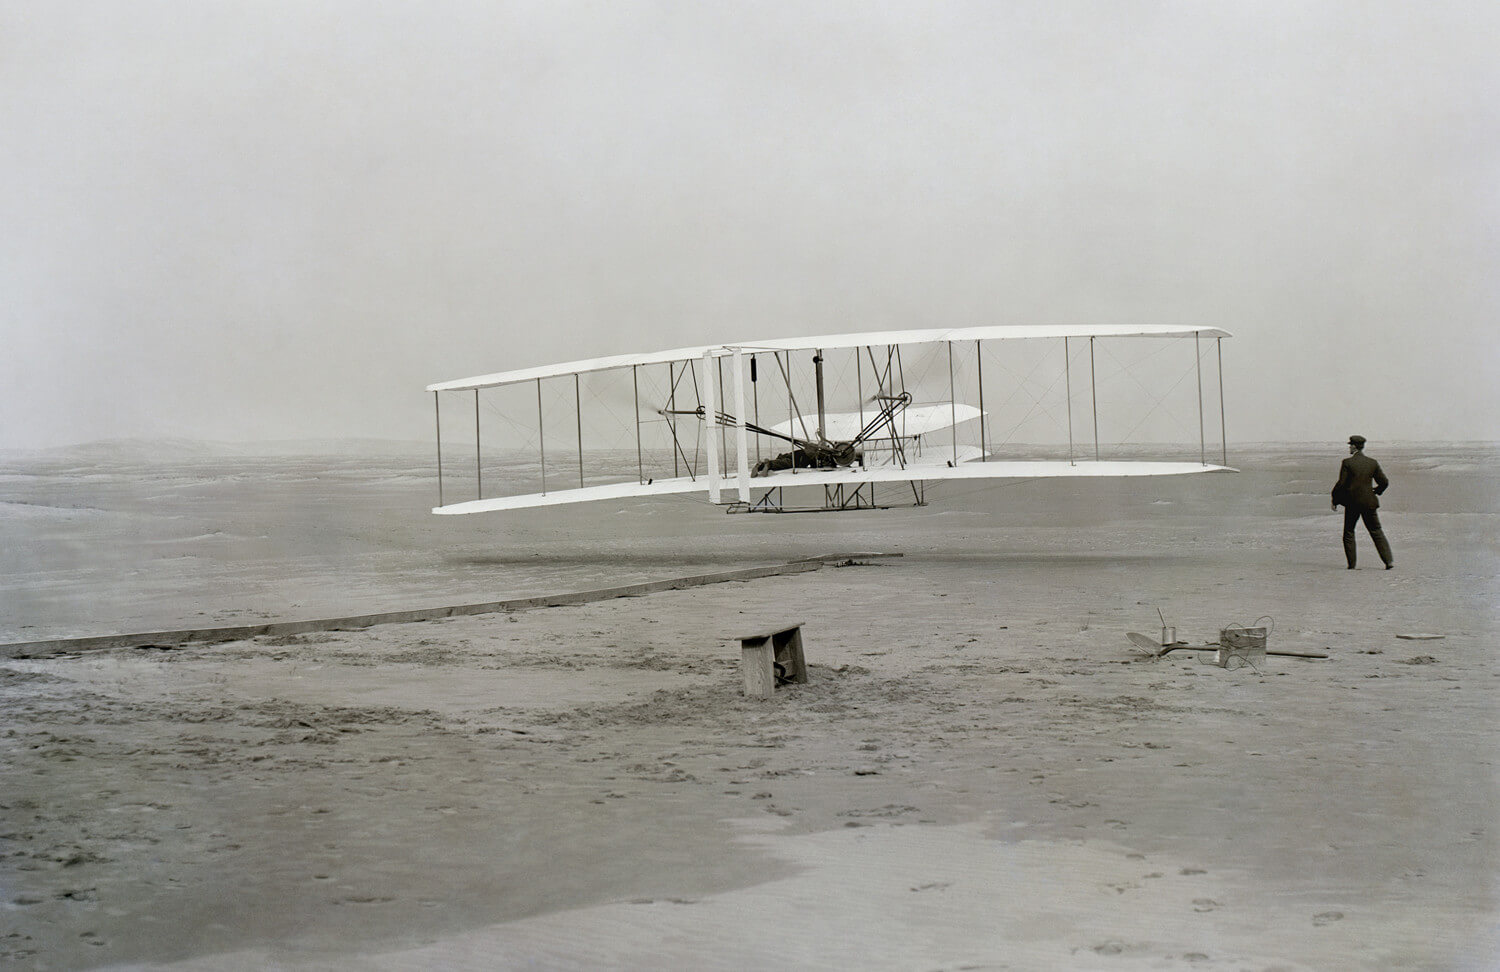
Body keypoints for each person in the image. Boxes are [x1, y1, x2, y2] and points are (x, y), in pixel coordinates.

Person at [1331, 435, 1394, 569]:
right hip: (1369, 502)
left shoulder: (1347, 462)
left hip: (1352, 503)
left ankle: (1352, 565)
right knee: (1376, 531)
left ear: (1354, 446)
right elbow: (1384, 482)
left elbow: (1341, 484)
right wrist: (1376, 491)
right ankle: (1389, 562)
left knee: (1349, 532)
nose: (1349, 447)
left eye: (1350, 445)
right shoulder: (1372, 462)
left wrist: (1335, 499)